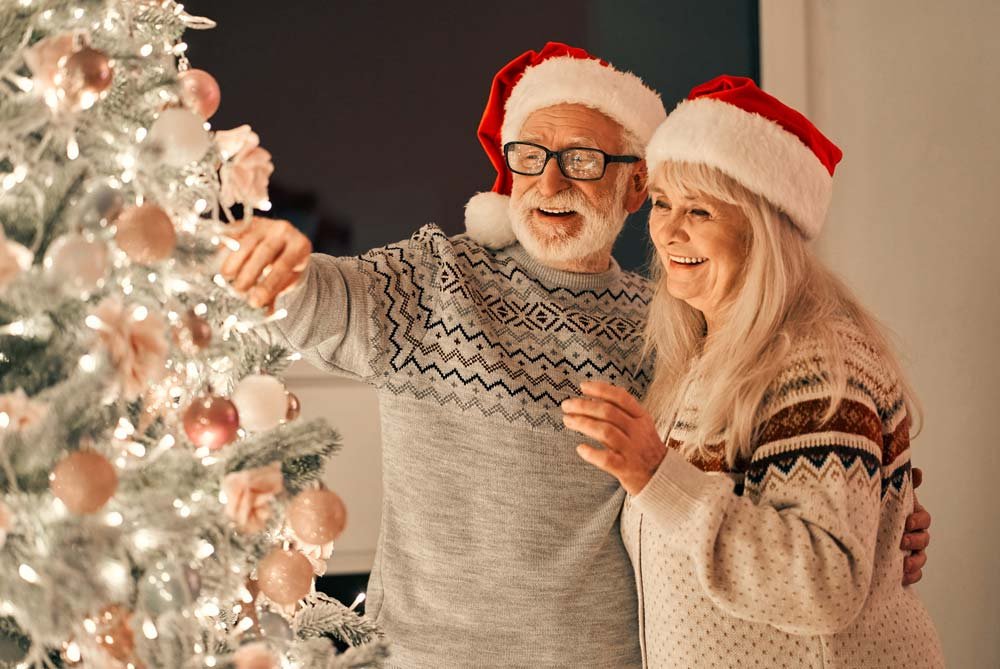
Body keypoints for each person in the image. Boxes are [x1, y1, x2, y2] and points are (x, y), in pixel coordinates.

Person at [221, 44, 932, 667]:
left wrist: (881, 516)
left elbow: (752, 474)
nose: (550, 183)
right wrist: (281, 263)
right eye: (529, 156)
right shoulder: (433, 280)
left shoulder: (670, 331)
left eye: (582, 159)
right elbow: (312, 302)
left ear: (633, 184)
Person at [561, 75, 943, 667]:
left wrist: (658, 476)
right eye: (663, 203)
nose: (668, 230)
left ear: (761, 229)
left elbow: (824, 584)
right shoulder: (705, 351)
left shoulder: (813, 363)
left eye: (700, 210)